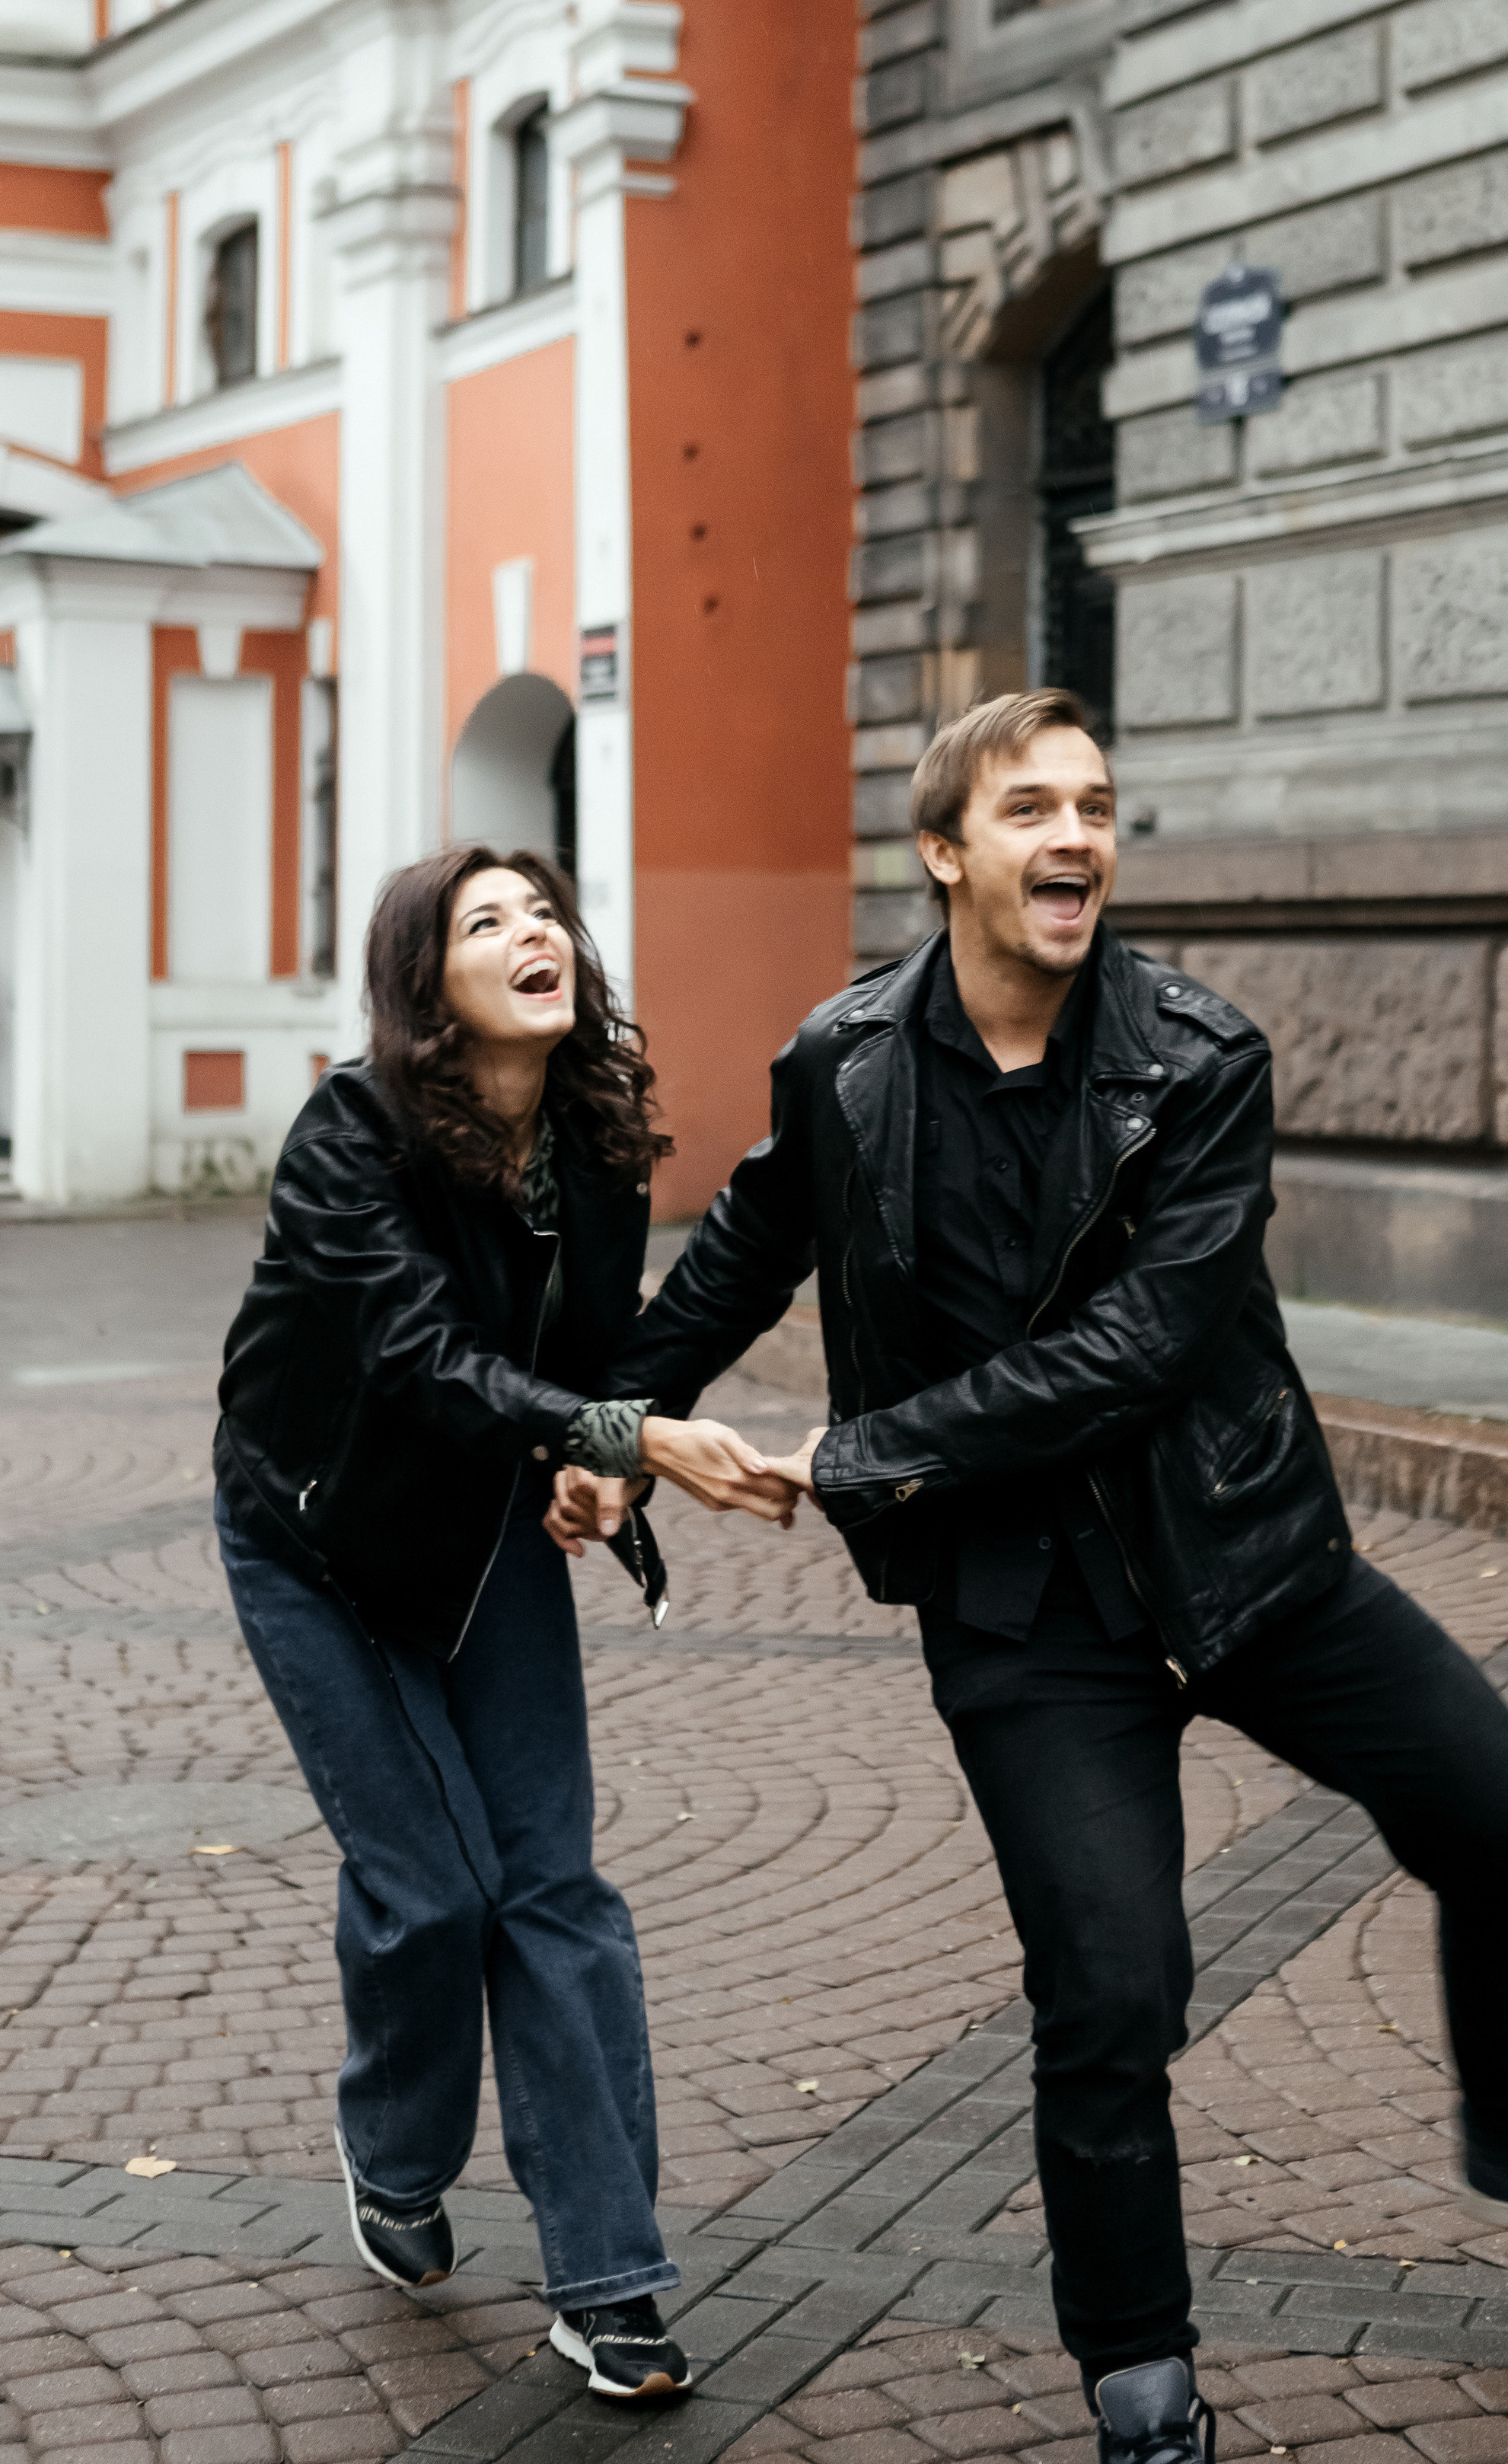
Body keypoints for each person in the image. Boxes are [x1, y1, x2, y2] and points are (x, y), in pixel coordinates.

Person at [553, 690, 1508, 2464]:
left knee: (1501, 1812)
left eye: (1093, 806)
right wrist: (615, 1427)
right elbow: (738, 1254)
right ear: (944, 851)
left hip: (1235, 1547)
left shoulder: (1195, 1055)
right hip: (1021, 1609)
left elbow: (1140, 1349)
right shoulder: (844, 1062)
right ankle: (1139, 2379)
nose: (1075, 838)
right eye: (1030, 807)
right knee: (1109, 1993)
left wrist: (850, 1455)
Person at [214, 844, 795, 2402]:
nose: (535, 931)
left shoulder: (594, 1133)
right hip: (319, 1546)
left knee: (552, 1891)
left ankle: (608, 2283)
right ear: (428, 982)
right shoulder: (350, 1135)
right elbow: (415, 1354)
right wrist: (618, 1434)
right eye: (488, 920)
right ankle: (396, 2151)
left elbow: (590, 1353)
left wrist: (602, 1468)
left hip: (486, 1540)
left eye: (544, 911)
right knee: (436, 1894)